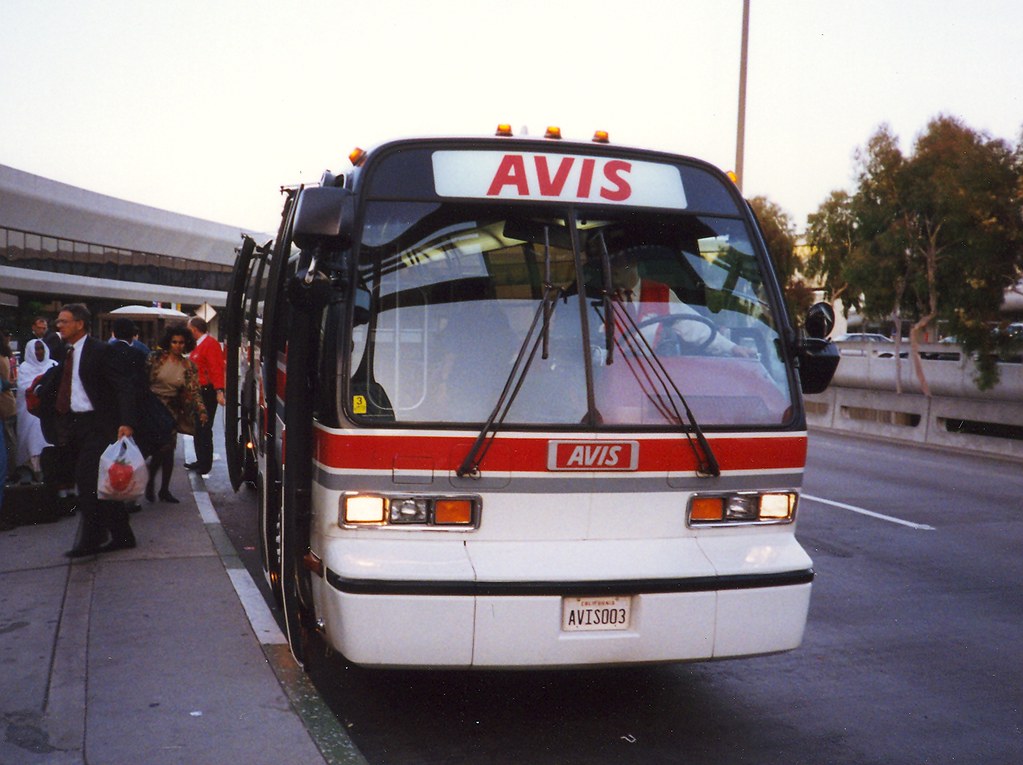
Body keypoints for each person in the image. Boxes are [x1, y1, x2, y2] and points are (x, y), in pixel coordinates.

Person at [42, 303, 140, 557]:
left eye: (64, 321)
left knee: (87, 482)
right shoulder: (65, 351)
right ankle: (123, 535)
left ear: (79, 324)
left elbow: (124, 387)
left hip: (99, 425)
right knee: (98, 482)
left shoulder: (101, 351)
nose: (59, 326)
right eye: (58, 321)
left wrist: (126, 422)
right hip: (73, 425)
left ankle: (91, 540)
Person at [606, 246, 755, 358]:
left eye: (617, 262)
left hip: (652, 373)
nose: (611, 269)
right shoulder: (602, 299)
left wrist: (732, 348)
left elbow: (693, 325)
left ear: (633, 262)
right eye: (608, 263)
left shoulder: (660, 293)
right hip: (611, 371)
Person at [146, 324, 206, 502]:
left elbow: (194, 391)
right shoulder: (154, 358)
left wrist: (202, 411)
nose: (178, 346)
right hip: (151, 407)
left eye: (181, 342)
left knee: (168, 449)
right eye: (174, 342)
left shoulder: (188, 366)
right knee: (154, 448)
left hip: (170, 410)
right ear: (168, 342)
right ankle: (149, 482)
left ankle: (164, 489)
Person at [184, 316, 224, 475]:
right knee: (197, 428)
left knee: (204, 428)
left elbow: (216, 368)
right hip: (197, 392)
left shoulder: (210, 344)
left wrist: (219, 391)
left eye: (189, 329)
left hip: (206, 392)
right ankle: (200, 460)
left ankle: (205, 463)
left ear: (194, 330)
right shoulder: (198, 345)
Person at [15, 338, 56, 479]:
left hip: (49, 410)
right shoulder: (25, 368)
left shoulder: (52, 364)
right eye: (36, 349)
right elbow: (24, 388)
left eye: (41, 348)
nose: (39, 352)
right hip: (31, 412)